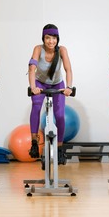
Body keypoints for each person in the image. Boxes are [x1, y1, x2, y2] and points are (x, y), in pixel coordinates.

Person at [28, 24, 73, 165]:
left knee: (59, 115)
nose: (51, 41)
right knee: (36, 107)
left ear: (57, 39)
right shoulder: (38, 49)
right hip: (40, 84)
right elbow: (31, 68)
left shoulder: (62, 50)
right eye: (48, 38)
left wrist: (69, 87)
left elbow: (68, 69)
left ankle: (59, 148)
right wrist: (33, 87)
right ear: (43, 38)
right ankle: (34, 142)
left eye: (54, 38)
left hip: (57, 84)